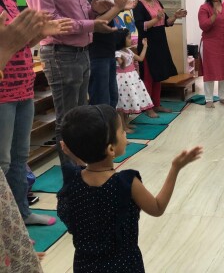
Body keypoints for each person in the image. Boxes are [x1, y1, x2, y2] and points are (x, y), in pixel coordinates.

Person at [23, 0, 133, 183]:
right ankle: (72, 180)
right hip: (61, 53)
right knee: (68, 120)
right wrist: (91, 23)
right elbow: (49, 22)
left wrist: (95, 10)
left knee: (79, 115)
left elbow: (80, 15)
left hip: (81, 51)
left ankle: (83, 172)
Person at [56, 105, 203, 272]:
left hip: (85, 266)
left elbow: (81, 168)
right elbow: (157, 208)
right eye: (121, 132)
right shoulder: (126, 183)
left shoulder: (72, 181)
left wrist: (75, 153)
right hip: (124, 265)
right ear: (111, 149)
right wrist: (175, 168)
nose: (125, 135)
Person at [0, 0, 73, 229]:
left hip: (22, 88)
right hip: (3, 94)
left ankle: (20, 216)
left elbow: (19, 43)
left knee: (19, 157)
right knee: (2, 163)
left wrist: (41, 31)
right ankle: (7, 229)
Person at [81, 0, 136, 107]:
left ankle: (112, 132)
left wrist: (121, 7)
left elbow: (104, 15)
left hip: (107, 51)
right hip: (95, 53)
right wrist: (118, 8)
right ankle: (103, 133)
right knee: (101, 102)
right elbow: (94, 24)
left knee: (112, 99)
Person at [133, 0, 186, 117]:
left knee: (158, 76)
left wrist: (175, 16)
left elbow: (166, 22)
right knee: (148, 77)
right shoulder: (138, 5)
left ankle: (156, 104)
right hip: (147, 44)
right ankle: (147, 107)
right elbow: (141, 26)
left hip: (160, 43)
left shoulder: (157, 2)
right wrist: (156, 18)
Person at [115, 29, 154, 133]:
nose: (131, 39)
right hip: (123, 80)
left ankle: (126, 123)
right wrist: (122, 61)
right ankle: (122, 127)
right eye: (128, 37)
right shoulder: (118, 53)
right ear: (121, 39)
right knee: (122, 104)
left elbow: (140, 58)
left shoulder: (129, 51)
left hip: (132, 79)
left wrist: (145, 46)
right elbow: (121, 66)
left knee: (128, 100)